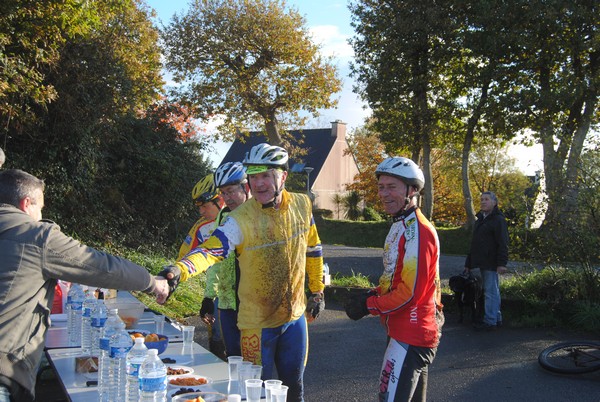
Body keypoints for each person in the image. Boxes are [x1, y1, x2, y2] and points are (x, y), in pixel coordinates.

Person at [160, 143, 325, 402]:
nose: (258, 183)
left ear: (282, 176)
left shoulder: (303, 205)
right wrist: (179, 270)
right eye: (253, 176)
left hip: (294, 318)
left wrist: (317, 291)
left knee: (294, 388)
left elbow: (313, 249)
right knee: (255, 392)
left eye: (265, 176)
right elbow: (211, 250)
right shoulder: (239, 219)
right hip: (256, 325)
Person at [0, 169, 169, 402]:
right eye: (40, 207)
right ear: (26, 203)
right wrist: (152, 283)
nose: (40, 214)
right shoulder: (34, 235)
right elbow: (100, 266)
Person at [344, 156, 444, 402]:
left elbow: (410, 293)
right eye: (381, 187)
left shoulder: (418, 231)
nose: (384, 193)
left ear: (412, 190)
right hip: (404, 329)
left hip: (411, 332)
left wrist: (369, 306)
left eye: (392, 187)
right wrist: (374, 293)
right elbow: (396, 278)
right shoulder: (400, 225)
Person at [200, 161, 251, 358]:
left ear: (246, 187)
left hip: (253, 304)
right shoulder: (224, 215)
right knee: (234, 358)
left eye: (230, 191)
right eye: (223, 193)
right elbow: (216, 257)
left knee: (255, 365)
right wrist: (208, 296)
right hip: (229, 302)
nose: (226, 198)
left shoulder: (259, 214)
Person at [179, 173, 227, 357]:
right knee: (216, 342)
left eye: (204, 206)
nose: (201, 212)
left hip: (244, 296)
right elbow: (183, 257)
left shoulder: (242, 219)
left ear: (220, 200)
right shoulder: (201, 226)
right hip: (216, 294)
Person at [465, 191, 509, 331]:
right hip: (480, 261)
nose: (483, 202)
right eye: (482, 199)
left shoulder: (498, 220)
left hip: (491, 261)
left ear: (494, 202)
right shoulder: (481, 219)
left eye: (486, 199)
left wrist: (502, 263)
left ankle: (490, 321)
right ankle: (496, 318)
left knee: (490, 291)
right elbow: (474, 243)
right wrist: (468, 263)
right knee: (491, 291)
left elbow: (503, 242)